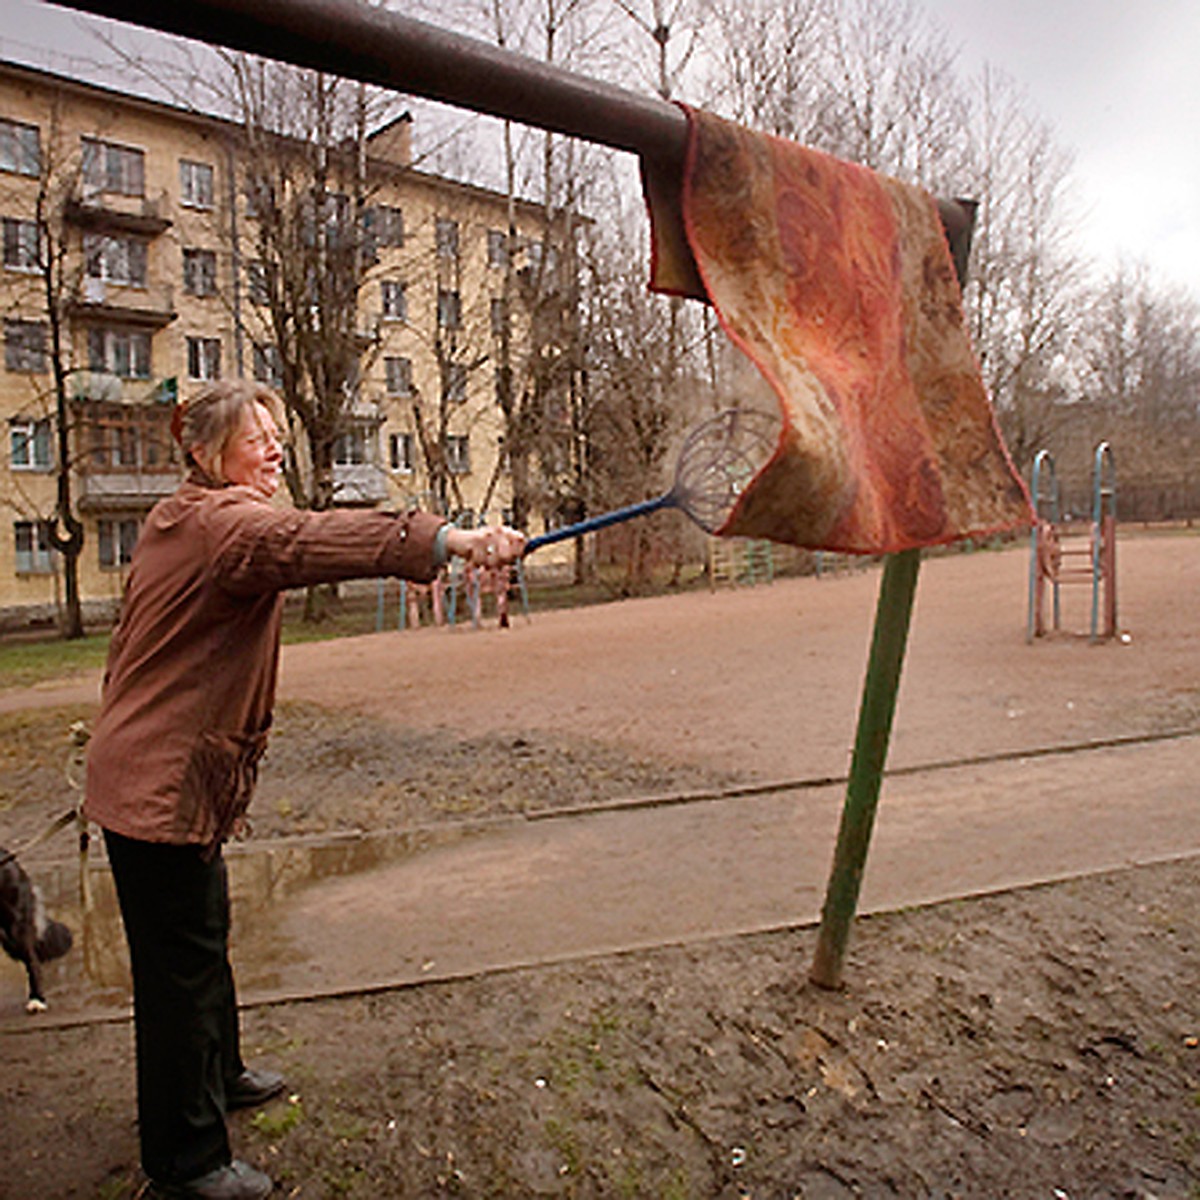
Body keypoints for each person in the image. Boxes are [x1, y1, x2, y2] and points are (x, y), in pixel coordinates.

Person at [83, 380, 524, 1199]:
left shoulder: (178, 514)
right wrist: (450, 542)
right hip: (159, 784)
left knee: (201, 941)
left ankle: (223, 1074)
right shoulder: (226, 525)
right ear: (208, 454)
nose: (277, 450)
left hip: (161, 776)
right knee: (177, 973)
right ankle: (187, 1163)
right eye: (259, 440)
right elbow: (307, 541)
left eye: (279, 435)